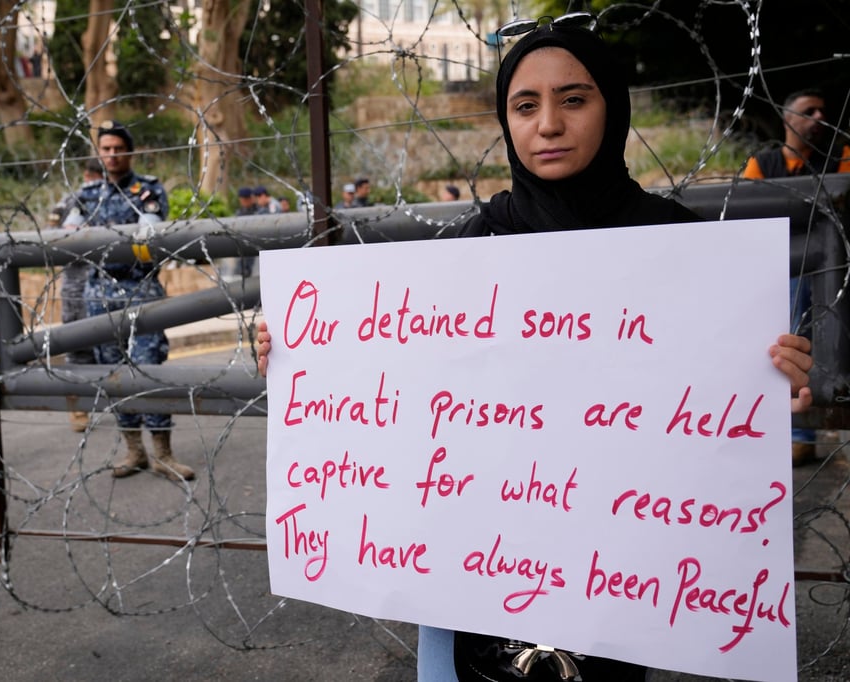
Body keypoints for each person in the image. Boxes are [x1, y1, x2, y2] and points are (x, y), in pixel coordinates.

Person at [255, 21, 814, 681]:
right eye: (525, 105)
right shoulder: (466, 254)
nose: (548, 124)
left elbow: (712, 417)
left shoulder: (684, 252)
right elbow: (396, 395)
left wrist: (770, 382)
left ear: (613, 107)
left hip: (621, 579)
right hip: (469, 576)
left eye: (574, 99)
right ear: (506, 120)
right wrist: (301, 358)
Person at [77, 120, 196, 482]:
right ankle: (134, 450)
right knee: (114, 375)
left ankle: (163, 453)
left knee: (148, 371)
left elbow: (147, 238)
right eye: (106, 149)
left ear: (129, 151)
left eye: (118, 149)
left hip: (140, 293)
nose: (112, 155)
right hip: (99, 297)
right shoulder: (87, 194)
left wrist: (102, 242)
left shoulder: (146, 189)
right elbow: (67, 235)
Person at [743, 88, 850, 466]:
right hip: (781, 266)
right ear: (787, 118)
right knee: (785, 332)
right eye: (809, 110)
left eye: (823, 110)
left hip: (834, 266)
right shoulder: (763, 161)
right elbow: (747, 212)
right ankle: (796, 431)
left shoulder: (840, 155)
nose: (820, 117)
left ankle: (805, 431)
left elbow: (842, 210)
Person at [48, 157, 104, 432]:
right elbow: (53, 240)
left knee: (86, 347)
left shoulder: (71, 200)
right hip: (83, 285)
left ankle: (82, 409)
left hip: (90, 284)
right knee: (82, 346)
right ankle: (81, 407)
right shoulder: (73, 202)